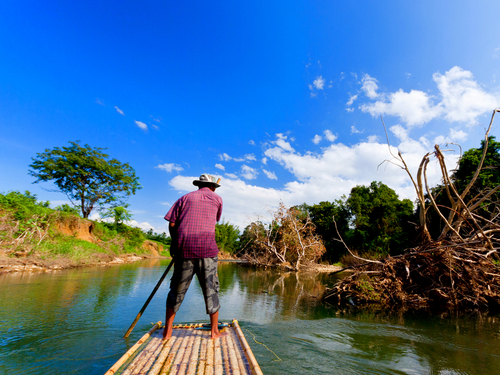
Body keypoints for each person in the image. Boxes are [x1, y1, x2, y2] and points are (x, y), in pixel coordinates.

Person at [162, 173, 227, 340]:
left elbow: (172, 223)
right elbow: (215, 219)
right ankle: (214, 332)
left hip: (184, 250)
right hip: (207, 250)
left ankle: (167, 333)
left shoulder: (184, 198)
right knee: (211, 290)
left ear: (198, 185)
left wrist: (175, 243)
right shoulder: (217, 199)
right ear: (212, 187)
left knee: (176, 291)